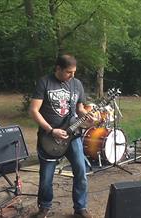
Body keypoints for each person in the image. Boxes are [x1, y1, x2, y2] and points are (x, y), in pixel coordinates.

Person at [29, 54, 93, 218]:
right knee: (46, 178)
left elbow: (79, 109)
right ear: (58, 68)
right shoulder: (45, 82)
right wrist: (51, 130)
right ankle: (44, 207)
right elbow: (34, 111)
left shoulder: (77, 84)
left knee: (80, 172)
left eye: (74, 72)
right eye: (69, 72)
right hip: (49, 138)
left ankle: (80, 208)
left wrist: (88, 115)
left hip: (73, 136)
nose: (72, 76)